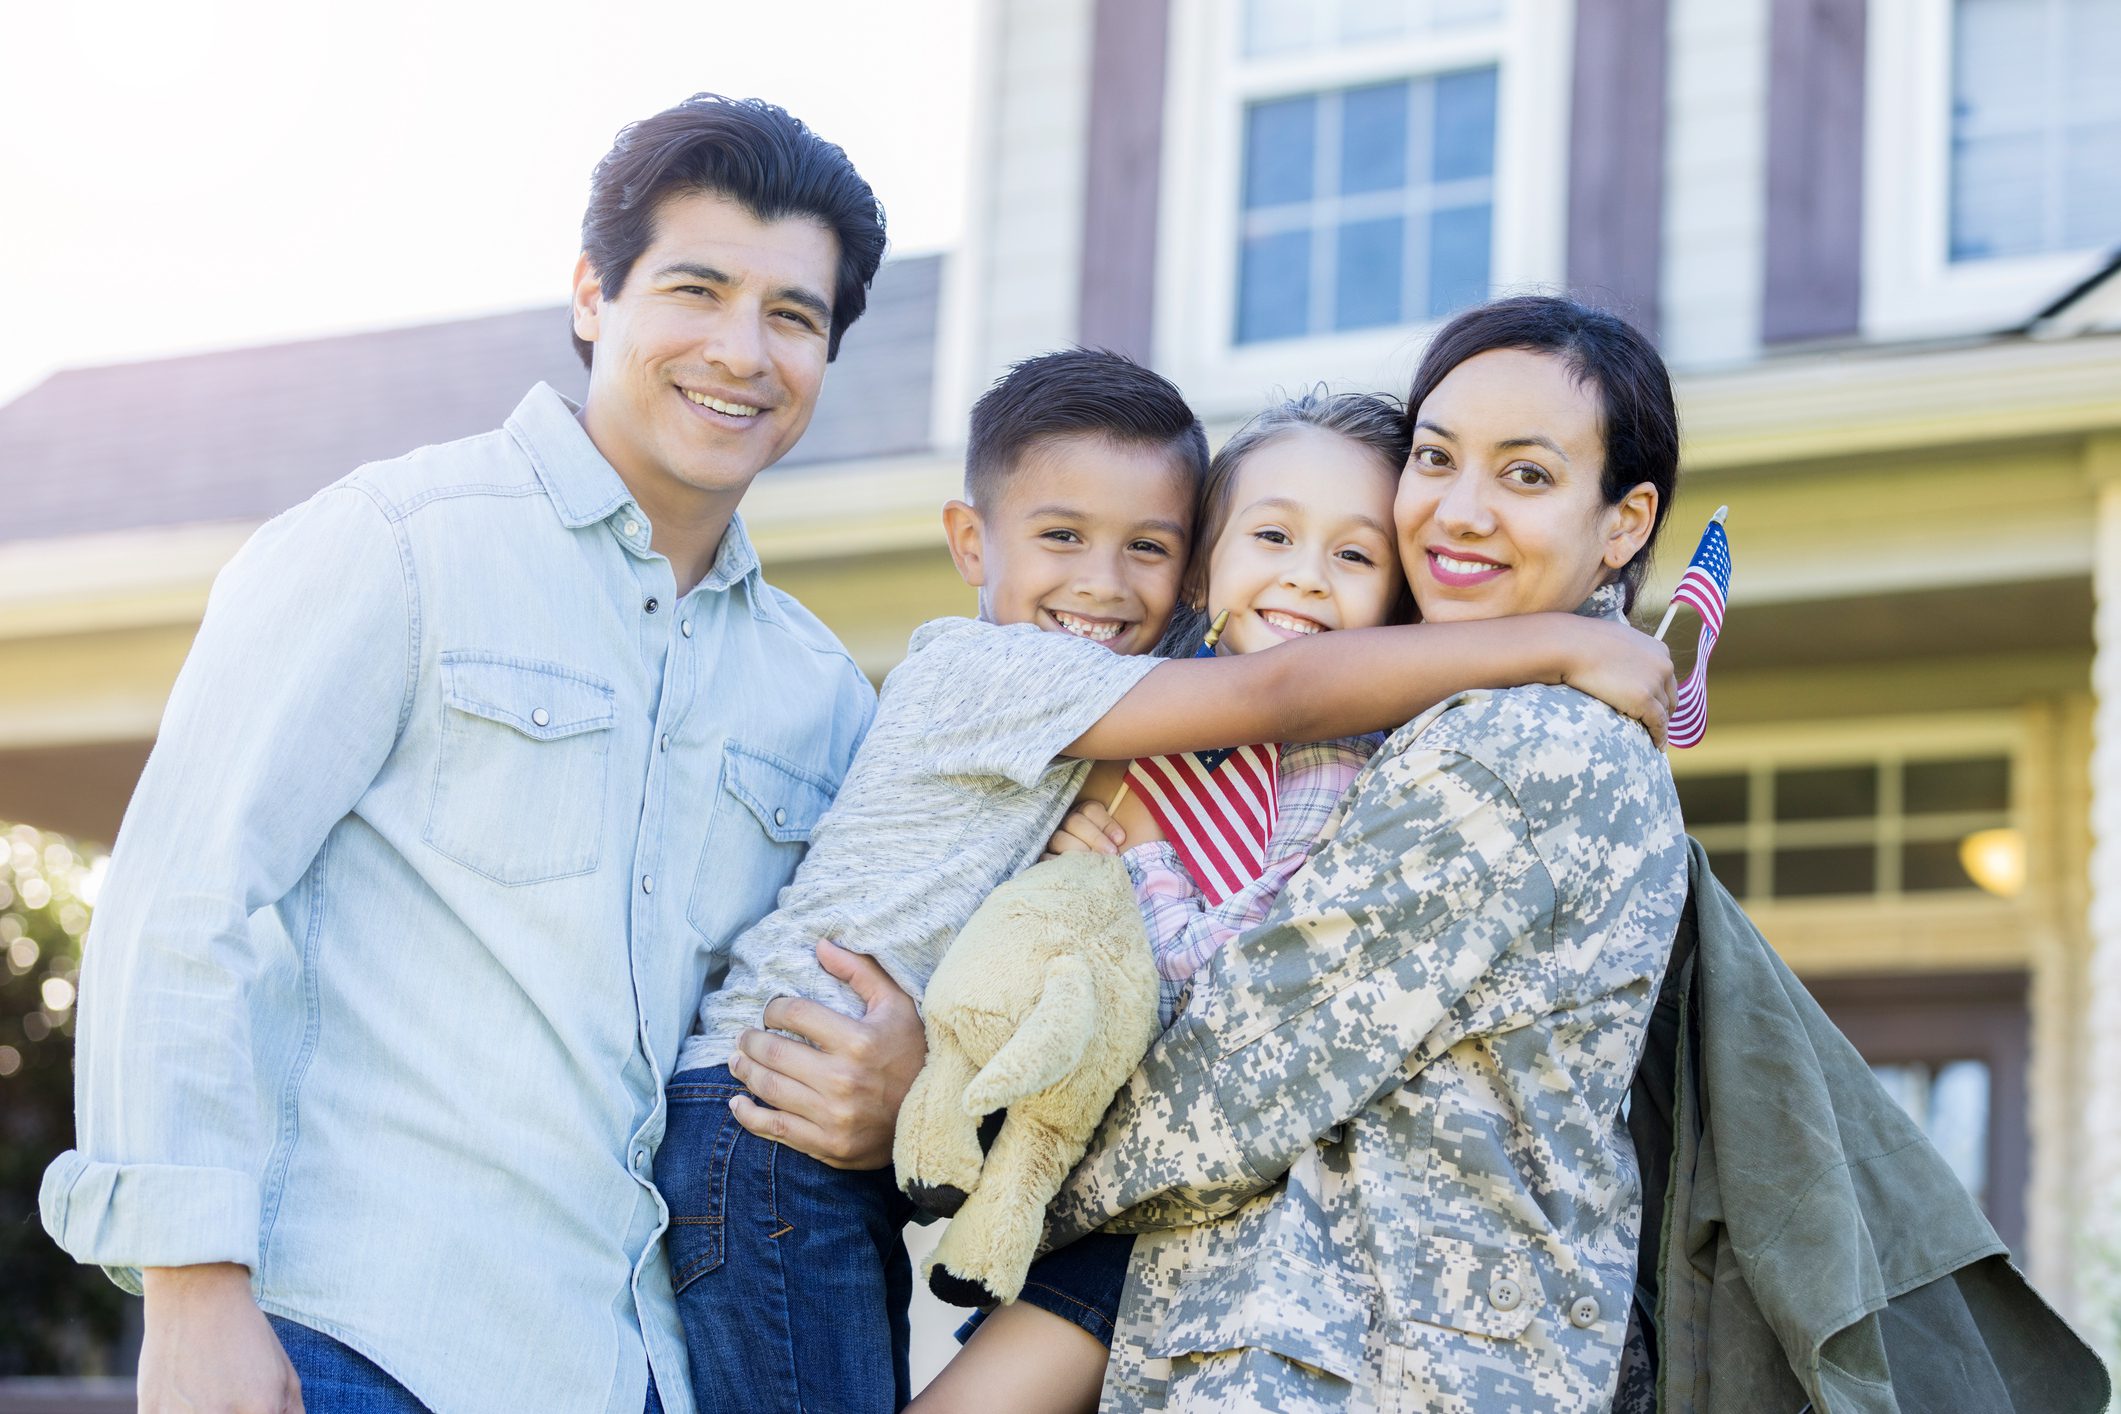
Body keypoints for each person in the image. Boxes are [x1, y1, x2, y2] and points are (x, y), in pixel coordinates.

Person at [38, 94, 925, 1414]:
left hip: (656, 1376)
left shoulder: (821, 698)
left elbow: (832, 994)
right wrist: (194, 1284)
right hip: (360, 1353)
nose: (743, 351)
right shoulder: (396, 546)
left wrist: (897, 1088)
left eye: (792, 316)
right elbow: (183, 898)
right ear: (590, 295)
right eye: (698, 288)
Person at [663, 350, 1678, 1412]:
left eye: (1143, 547)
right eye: (1063, 537)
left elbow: (1236, 1047)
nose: (1103, 583)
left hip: (862, 1130)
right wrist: (1555, 640)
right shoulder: (1002, 675)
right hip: (777, 1104)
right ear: (972, 539)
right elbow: (1282, 686)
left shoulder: (1413, 757)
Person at [1022, 295, 1695, 1412]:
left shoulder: (1516, 744)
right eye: (1436, 459)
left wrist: (971, 1153)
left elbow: (1233, 1086)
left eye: (1526, 476)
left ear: (1622, 523)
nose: (1461, 512)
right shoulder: (1438, 716)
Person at [910, 388, 1418, 1413]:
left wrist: (1138, 863)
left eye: (1355, 557)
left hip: (1178, 1224)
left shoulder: (1330, 763)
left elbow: (1237, 978)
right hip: (1071, 1195)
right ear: (1203, 564)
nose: (1305, 576)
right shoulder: (1139, 699)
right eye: (1272, 533)